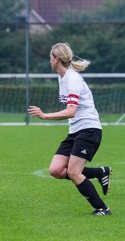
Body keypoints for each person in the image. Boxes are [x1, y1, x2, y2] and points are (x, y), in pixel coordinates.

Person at [28, 43, 111, 216]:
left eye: (50, 57)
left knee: (74, 172)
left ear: (56, 59)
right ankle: (100, 172)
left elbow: (71, 111)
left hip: (89, 129)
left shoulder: (72, 79)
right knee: (56, 170)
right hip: (76, 131)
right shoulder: (62, 77)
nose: (49, 60)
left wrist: (45, 116)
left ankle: (102, 208)